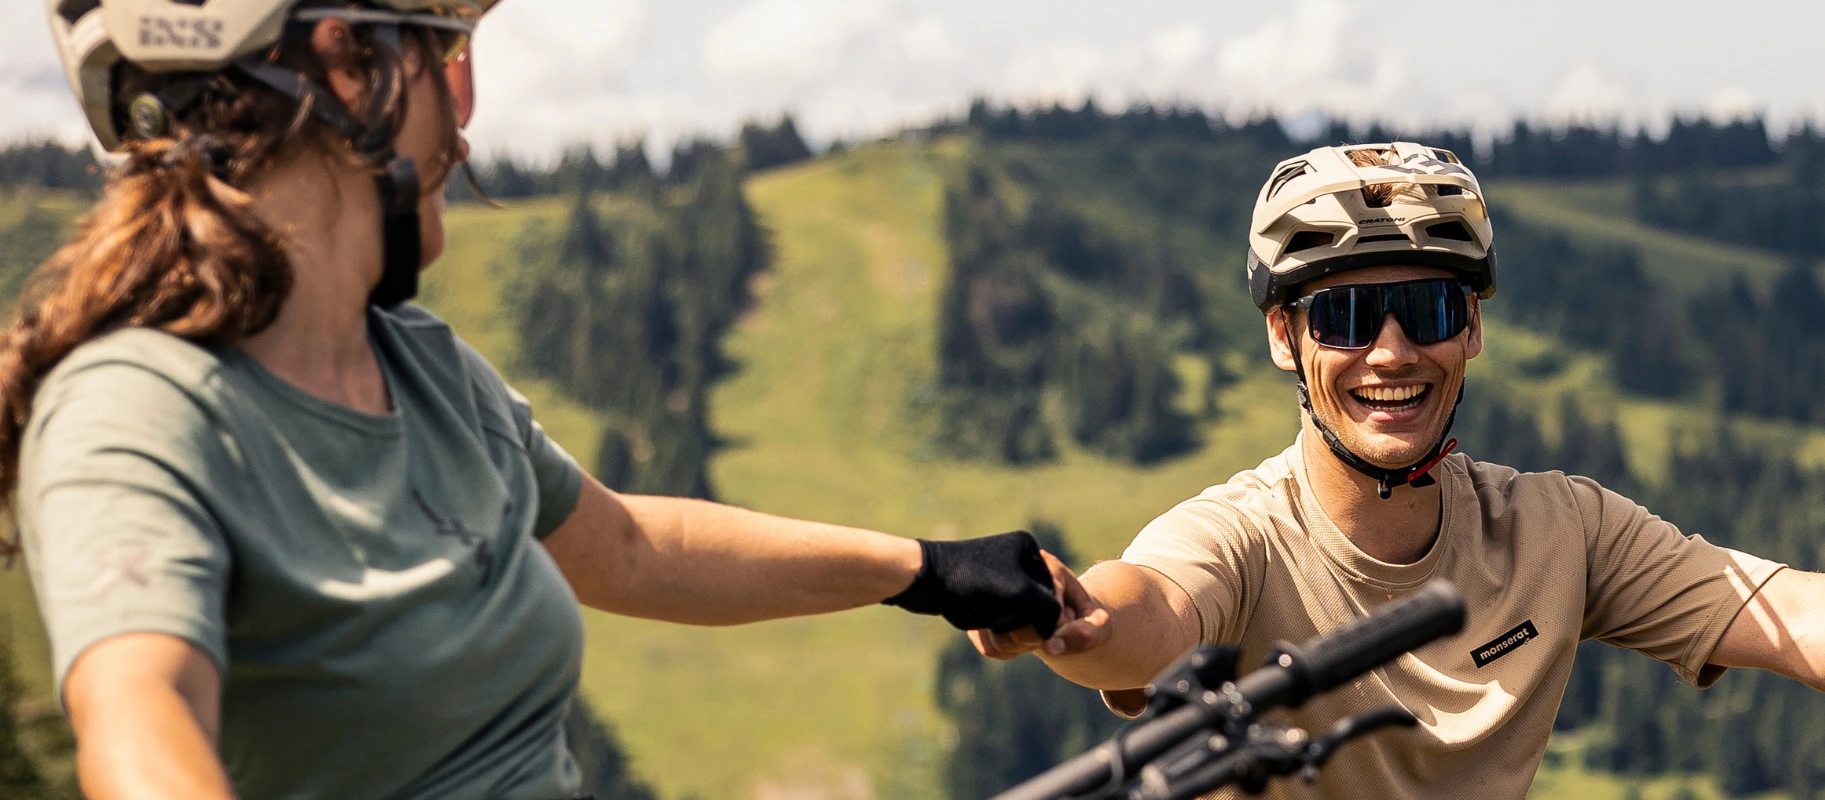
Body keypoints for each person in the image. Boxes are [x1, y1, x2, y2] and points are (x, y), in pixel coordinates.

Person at [13, 2, 1096, 797]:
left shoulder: (418, 366)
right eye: (444, 51)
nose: (465, 118)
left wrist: (923, 570)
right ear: (346, 65)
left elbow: (628, 546)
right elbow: (140, 722)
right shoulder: (136, 410)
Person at [969, 142, 1825, 799]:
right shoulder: (1240, 536)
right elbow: (1147, 610)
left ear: (1471, 327)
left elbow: (1804, 618)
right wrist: (1067, 613)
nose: (1390, 350)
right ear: (1284, 338)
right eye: (1344, 315)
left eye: (1424, 307)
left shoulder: (1555, 528)